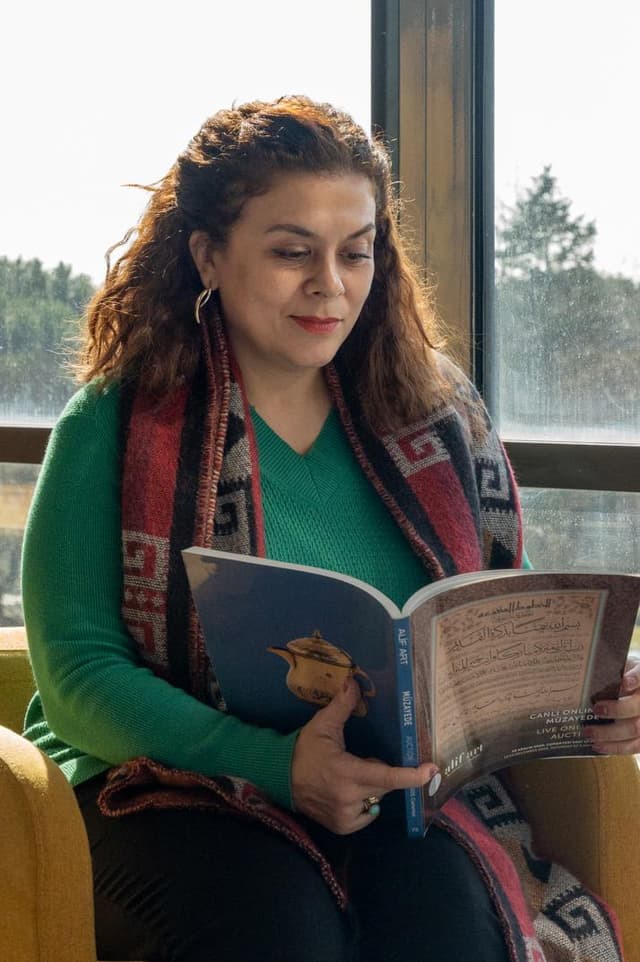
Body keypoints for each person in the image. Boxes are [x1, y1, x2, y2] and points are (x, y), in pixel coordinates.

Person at [21, 95, 638, 962]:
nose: (331, 284)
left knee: (453, 931)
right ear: (207, 254)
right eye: (291, 252)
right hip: (159, 784)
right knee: (280, 931)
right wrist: (275, 766)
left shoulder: (434, 419)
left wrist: (594, 694)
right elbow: (79, 675)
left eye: (356, 251)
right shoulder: (114, 423)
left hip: (394, 796)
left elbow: (502, 611)